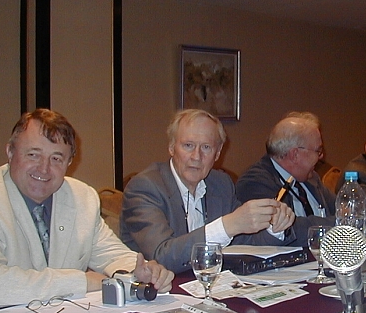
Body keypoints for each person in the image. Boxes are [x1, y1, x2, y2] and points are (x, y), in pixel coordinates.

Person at [0, 109, 174, 313]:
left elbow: (111, 255)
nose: (44, 169)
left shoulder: (82, 197)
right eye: (33, 154)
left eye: (56, 158)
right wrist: (83, 281)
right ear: (10, 153)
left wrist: (142, 271)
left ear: (69, 163)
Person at [119, 109, 296, 273]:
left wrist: (275, 227)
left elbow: (245, 241)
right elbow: (161, 256)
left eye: (206, 147)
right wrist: (227, 225)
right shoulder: (145, 187)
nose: (196, 156)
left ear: (217, 154)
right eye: (188, 145)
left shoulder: (220, 183)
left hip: (209, 285)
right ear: (171, 147)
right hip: (156, 290)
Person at [235, 112, 336, 246]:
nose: (321, 156)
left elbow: (342, 210)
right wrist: (340, 224)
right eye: (318, 151)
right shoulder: (255, 182)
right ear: (295, 154)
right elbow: (286, 229)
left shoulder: (311, 178)